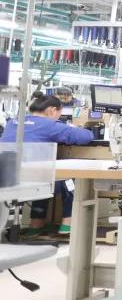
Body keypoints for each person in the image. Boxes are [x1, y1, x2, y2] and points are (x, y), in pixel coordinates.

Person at [1, 93, 93, 235]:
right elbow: (85, 137)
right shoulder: (49, 125)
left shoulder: (13, 122)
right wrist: (79, 128)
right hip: (34, 180)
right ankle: (67, 224)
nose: (58, 118)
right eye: (58, 115)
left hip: (7, 178)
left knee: (42, 171)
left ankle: (36, 224)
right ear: (52, 110)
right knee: (69, 179)